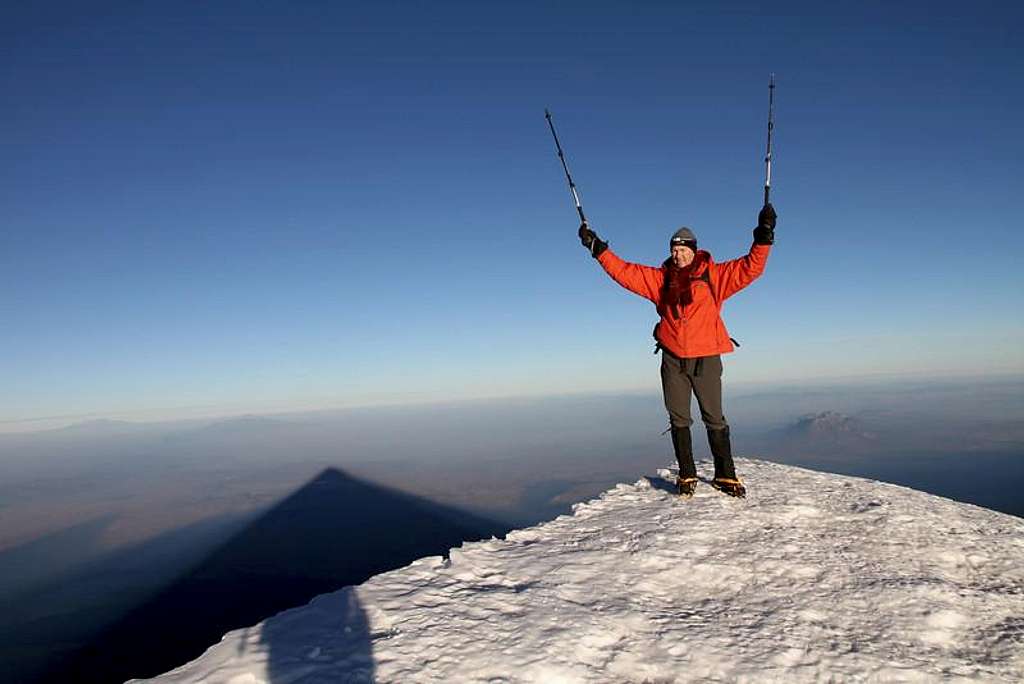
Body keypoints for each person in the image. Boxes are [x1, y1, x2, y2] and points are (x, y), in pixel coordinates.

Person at [578, 204, 776, 498]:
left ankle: (725, 475)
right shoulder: (661, 281)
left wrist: (764, 237)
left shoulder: (715, 275)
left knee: (714, 416)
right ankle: (686, 474)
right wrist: (598, 248)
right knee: (678, 417)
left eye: (683, 250)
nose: (677, 254)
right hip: (673, 358)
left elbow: (750, 267)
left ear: (694, 251)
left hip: (706, 357)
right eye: (674, 249)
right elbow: (625, 272)